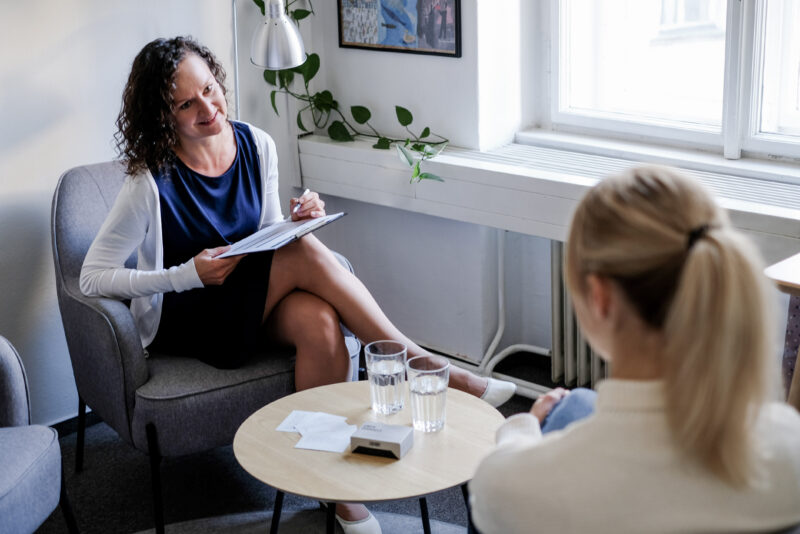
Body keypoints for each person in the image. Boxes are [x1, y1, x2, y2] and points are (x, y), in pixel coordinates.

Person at [80, 36, 515, 534]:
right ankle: (429, 365)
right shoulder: (148, 180)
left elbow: (264, 236)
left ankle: (333, 490)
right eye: (186, 103)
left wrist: (295, 221)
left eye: (209, 88)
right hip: (197, 316)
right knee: (303, 254)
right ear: (164, 116)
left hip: (249, 302)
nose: (208, 107)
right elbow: (93, 276)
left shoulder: (255, 143)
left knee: (320, 322)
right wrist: (185, 275)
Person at [469, 166, 800, 533]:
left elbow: (501, 481)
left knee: (566, 408)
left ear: (601, 298)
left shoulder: (510, 487)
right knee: (575, 403)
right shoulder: (790, 445)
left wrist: (521, 427)